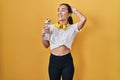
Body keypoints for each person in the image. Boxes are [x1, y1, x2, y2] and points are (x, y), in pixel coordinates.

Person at [41, 3, 87, 80]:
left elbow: (83, 19)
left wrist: (73, 10)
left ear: (69, 14)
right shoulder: (50, 27)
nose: (59, 12)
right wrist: (43, 35)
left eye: (63, 10)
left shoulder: (73, 28)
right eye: (58, 10)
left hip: (67, 61)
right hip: (53, 61)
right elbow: (46, 45)